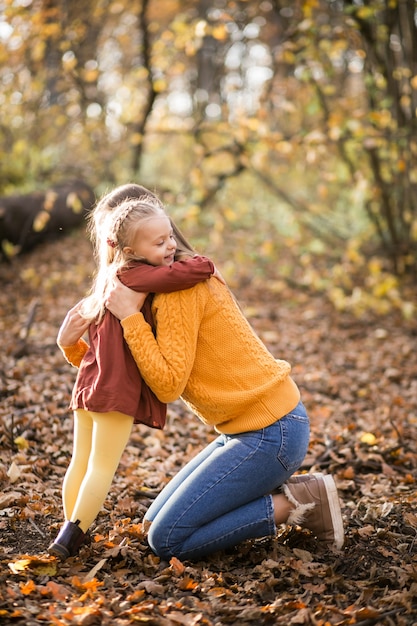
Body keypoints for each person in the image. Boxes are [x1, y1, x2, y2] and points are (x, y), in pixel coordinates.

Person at [60, 186, 345, 563]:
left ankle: (298, 503)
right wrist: (71, 345)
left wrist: (130, 318)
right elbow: (120, 373)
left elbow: (166, 385)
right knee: (153, 526)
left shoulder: (178, 289)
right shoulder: (156, 285)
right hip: (244, 430)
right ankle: (275, 486)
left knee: (169, 539)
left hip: (270, 431)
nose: (113, 264)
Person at [49, 184, 217, 560]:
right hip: (115, 388)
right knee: (102, 465)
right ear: (130, 251)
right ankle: (70, 538)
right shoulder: (136, 275)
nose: (170, 247)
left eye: (169, 237)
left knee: (81, 461)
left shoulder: (106, 279)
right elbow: (195, 270)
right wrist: (201, 262)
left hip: (89, 381)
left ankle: (69, 524)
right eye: (159, 243)